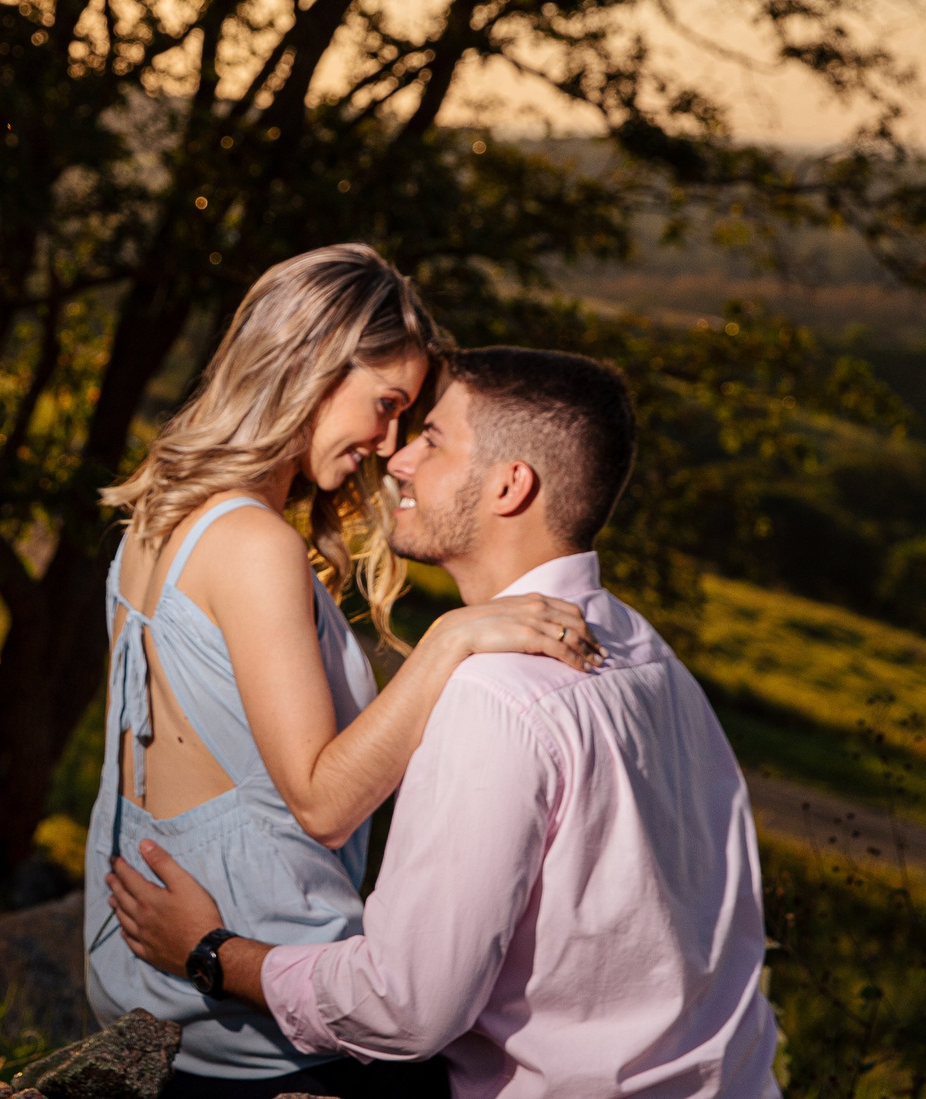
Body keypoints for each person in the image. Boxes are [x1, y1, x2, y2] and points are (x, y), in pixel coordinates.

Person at [107, 346, 782, 1099]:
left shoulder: (494, 698)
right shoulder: (653, 657)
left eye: (431, 438)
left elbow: (406, 1006)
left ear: (508, 484)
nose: (397, 459)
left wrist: (210, 952)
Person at [86, 249, 606, 1099]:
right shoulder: (254, 544)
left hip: (154, 984)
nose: (389, 443)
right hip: (256, 1013)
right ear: (309, 368)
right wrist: (453, 639)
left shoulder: (167, 502)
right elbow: (322, 802)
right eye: (386, 404)